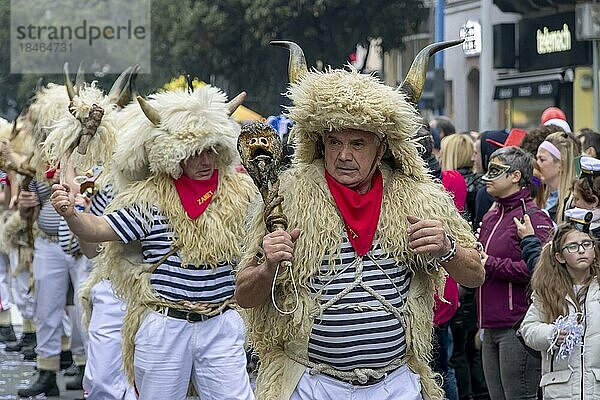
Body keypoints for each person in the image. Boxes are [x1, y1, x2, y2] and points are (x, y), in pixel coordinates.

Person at [235, 40, 485, 400]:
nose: (344, 155)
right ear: (320, 143)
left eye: (358, 143)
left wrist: (446, 249)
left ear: (381, 147)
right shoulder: (285, 197)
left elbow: (475, 274)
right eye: (334, 142)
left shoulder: (421, 197)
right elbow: (244, 295)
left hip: (396, 383)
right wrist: (268, 267)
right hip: (310, 383)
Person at [51, 85, 256, 400]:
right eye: (194, 152)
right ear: (174, 154)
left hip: (221, 322)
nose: (205, 160)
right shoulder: (149, 198)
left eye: (210, 150)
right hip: (164, 323)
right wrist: (72, 214)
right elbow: (98, 230)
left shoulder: (242, 194)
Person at [477, 146, 553, 400]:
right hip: (490, 323)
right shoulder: (490, 217)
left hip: (516, 325)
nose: (489, 177)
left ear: (515, 176)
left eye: (496, 171)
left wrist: (490, 263)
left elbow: (540, 270)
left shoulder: (533, 216)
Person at [519, 212, 600, 399]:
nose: (581, 250)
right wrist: (551, 334)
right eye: (572, 246)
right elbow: (528, 329)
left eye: (587, 244)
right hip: (560, 390)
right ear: (559, 257)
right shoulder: (547, 291)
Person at [536, 131, 581, 223]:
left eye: (542, 159)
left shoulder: (574, 204)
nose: (537, 164)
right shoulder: (539, 195)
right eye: (537, 158)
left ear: (561, 164)